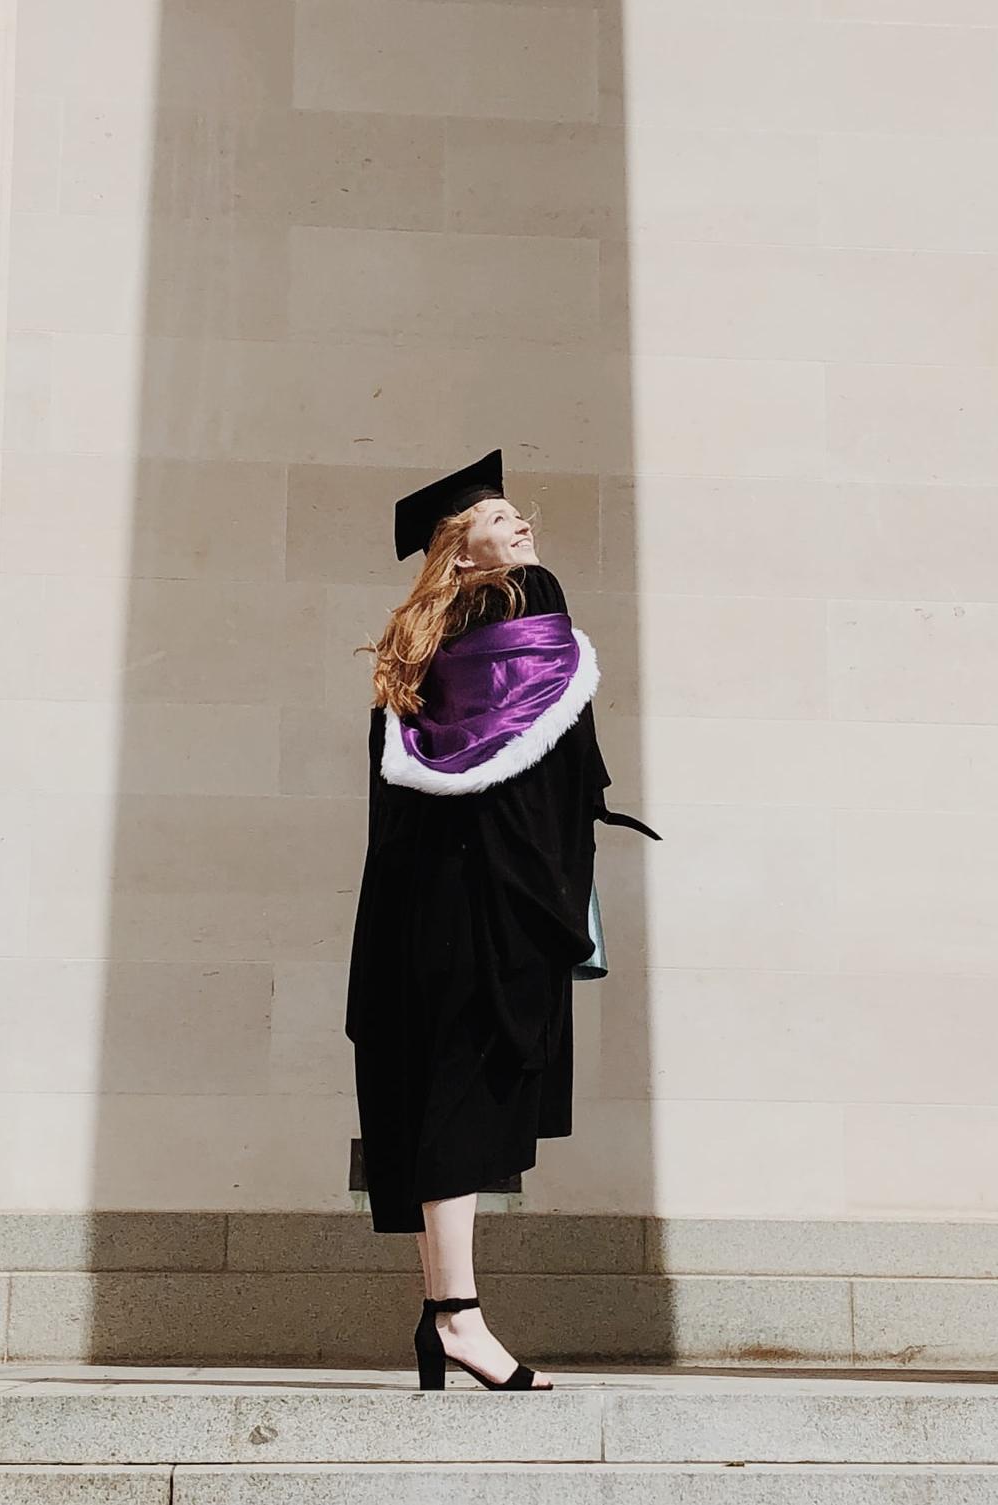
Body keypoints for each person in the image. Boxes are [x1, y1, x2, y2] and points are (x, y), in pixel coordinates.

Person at [346, 448, 659, 1392]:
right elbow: (542, 764)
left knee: (440, 1084)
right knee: (464, 1096)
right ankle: (457, 1320)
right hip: (488, 895)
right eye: (497, 515)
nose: (522, 523)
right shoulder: (524, 595)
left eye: (519, 512)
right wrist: (559, 889)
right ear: (460, 547)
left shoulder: (422, 643)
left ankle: (441, 1315)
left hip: (415, 903)